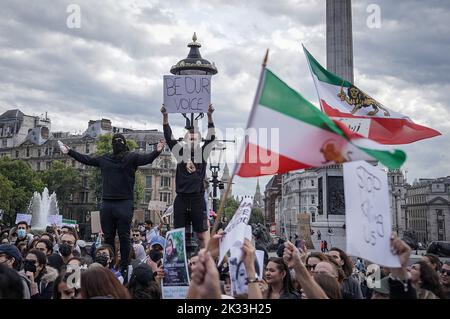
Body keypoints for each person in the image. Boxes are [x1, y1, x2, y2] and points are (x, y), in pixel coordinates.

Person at [60, 133, 165, 279]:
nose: (118, 143)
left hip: (117, 203)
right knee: (116, 237)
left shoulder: (121, 158)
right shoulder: (124, 157)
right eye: (116, 141)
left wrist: (157, 151)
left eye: (119, 141)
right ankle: (116, 267)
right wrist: (70, 151)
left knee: (119, 237)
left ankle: (123, 268)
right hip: (115, 203)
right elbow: (87, 159)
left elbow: (88, 159)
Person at [161, 104, 215, 249]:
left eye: (195, 138)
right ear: (185, 140)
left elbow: (211, 138)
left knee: (203, 235)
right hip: (182, 199)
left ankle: (206, 261)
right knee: (178, 235)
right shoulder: (180, 153)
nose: (192, 140)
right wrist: (165, 117)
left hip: (197, 199)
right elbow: (169, 137)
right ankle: (180, 263)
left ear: (199, 141)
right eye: (189, 138)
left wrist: (209, 116)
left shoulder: (203, 154)